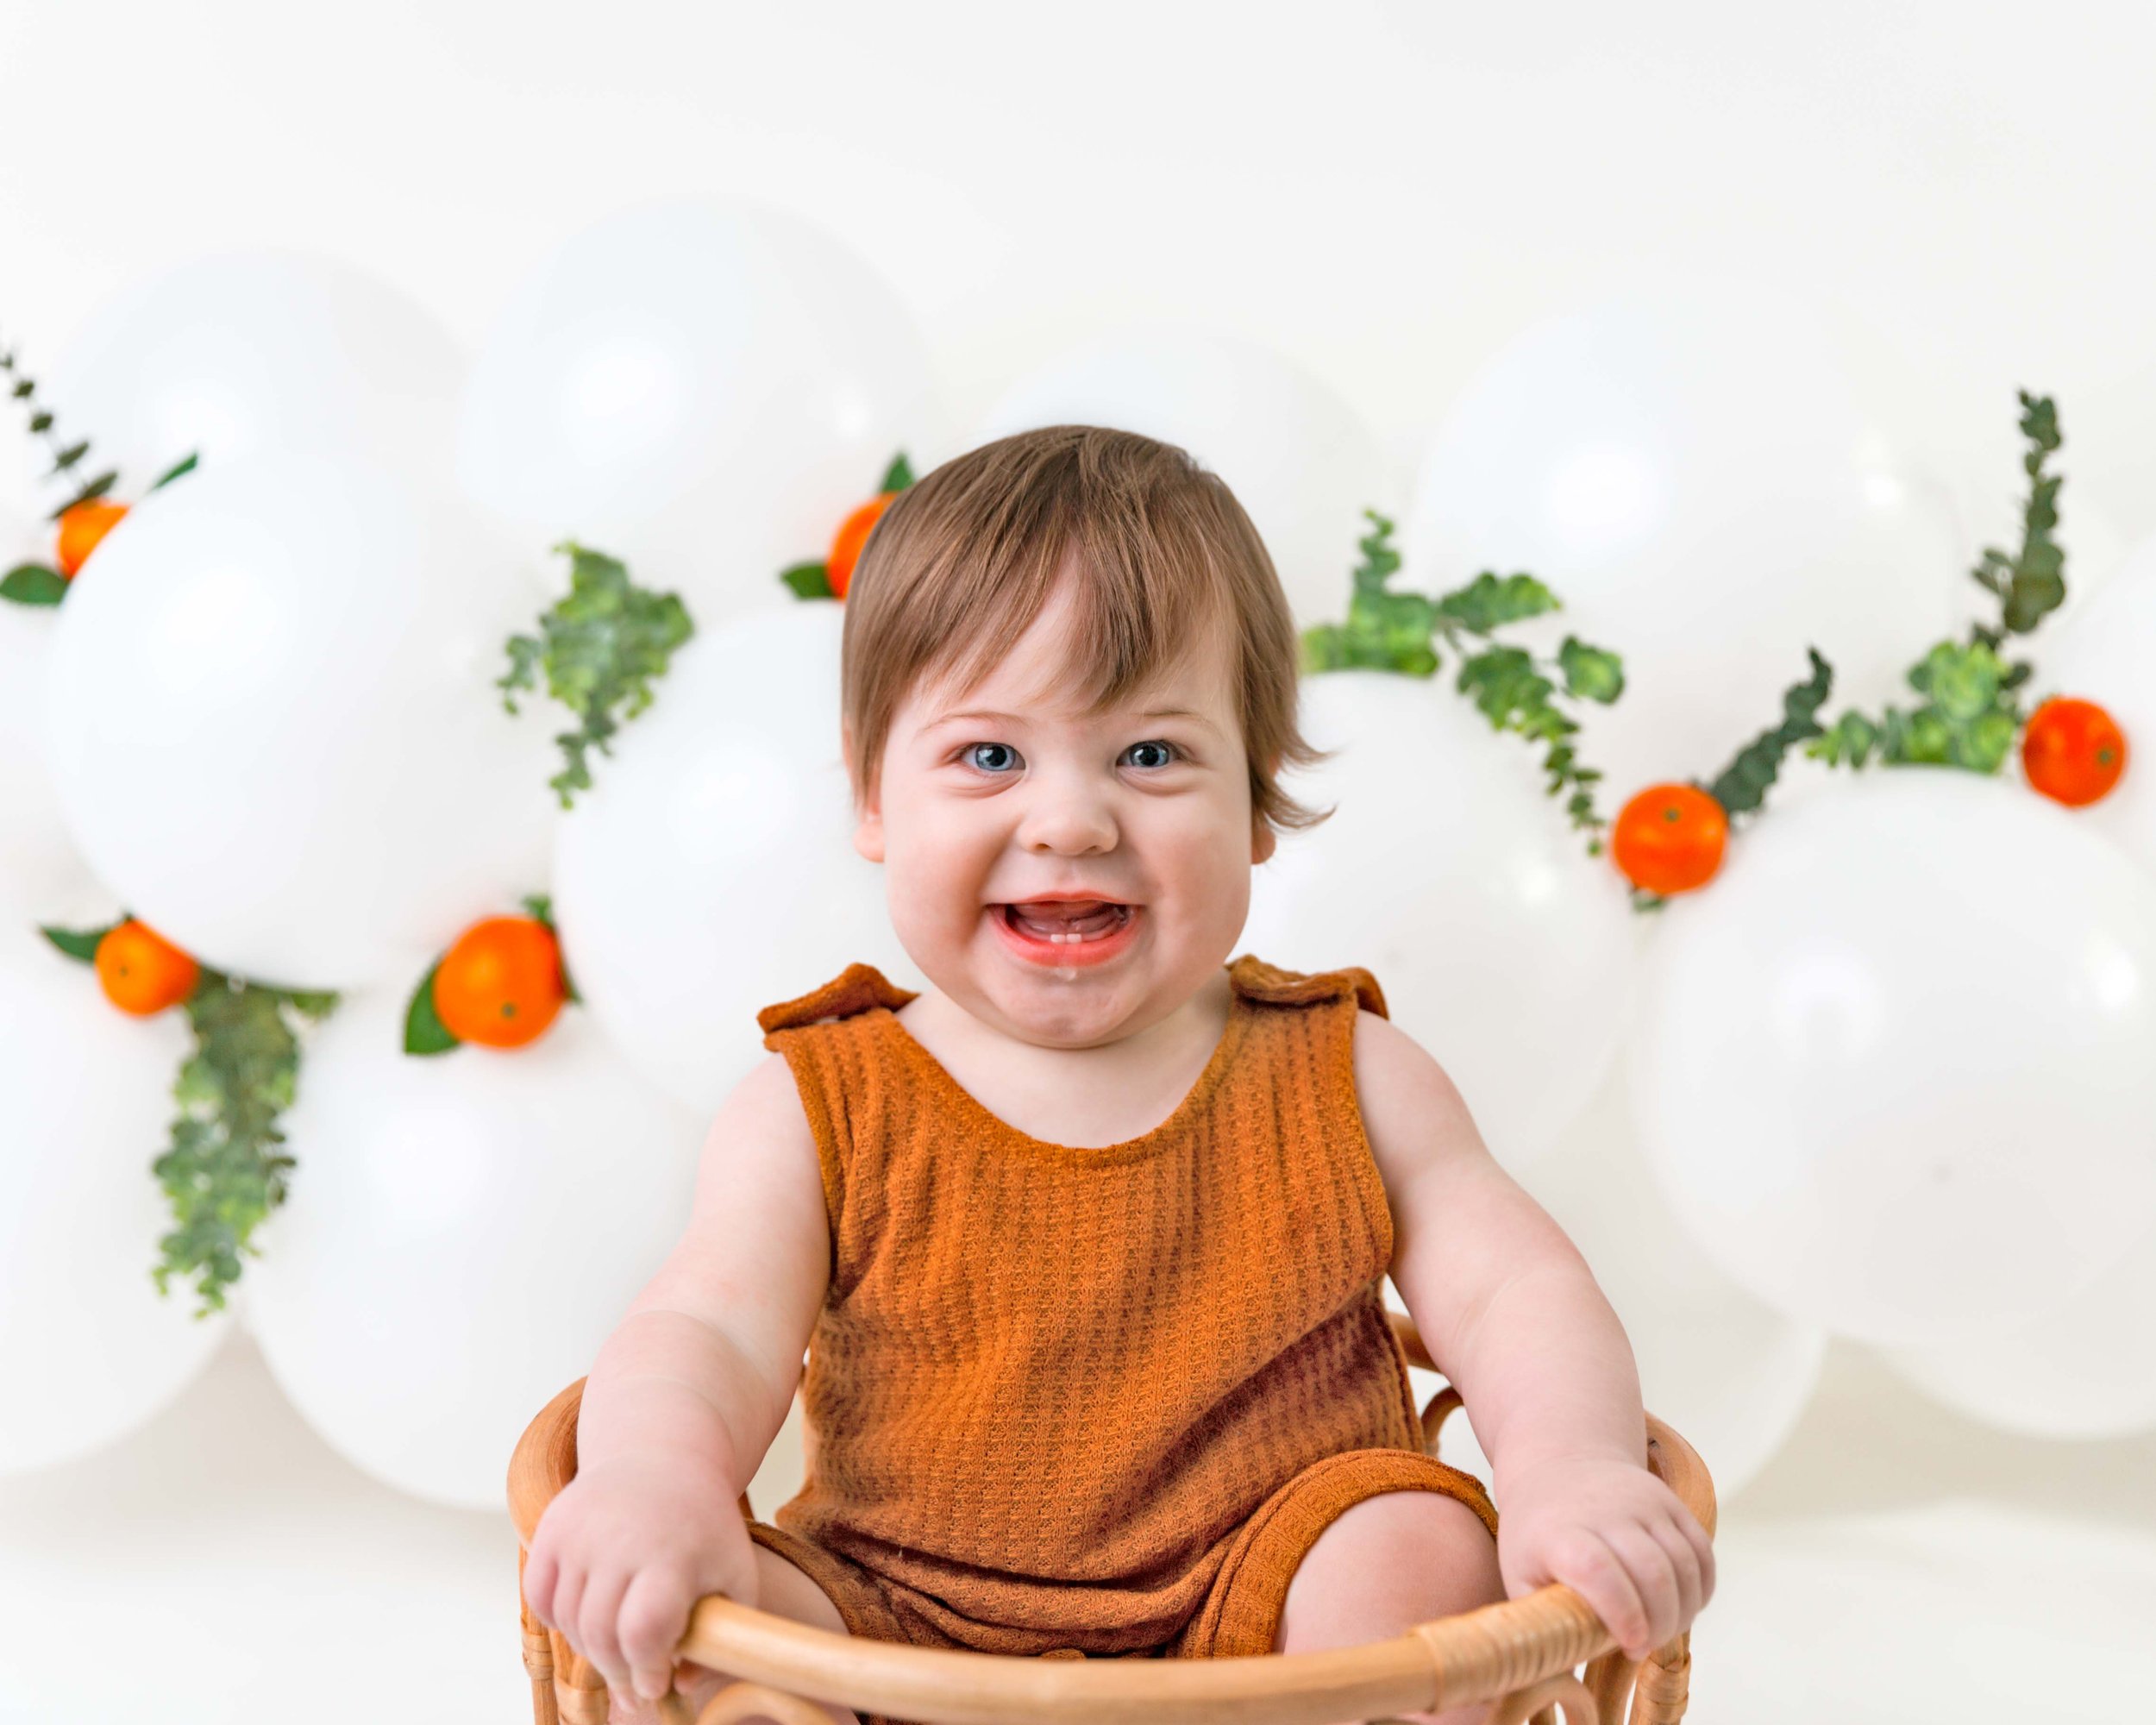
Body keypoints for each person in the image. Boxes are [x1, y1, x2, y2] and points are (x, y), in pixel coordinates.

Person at [521, 424, 1715, 1725]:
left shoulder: (1348, 1073)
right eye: (989, 756)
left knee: (1420, 1555)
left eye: (1150, 755)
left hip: (1269, 1616)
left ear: (1256, 803)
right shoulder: (820, 1103)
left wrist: (1571, 1470)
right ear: (874, 799)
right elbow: (706, 1332)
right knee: (714, 1643)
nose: (1071, 819)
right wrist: (654, 1480)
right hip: (897, 1617)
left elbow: (1511, 1289)